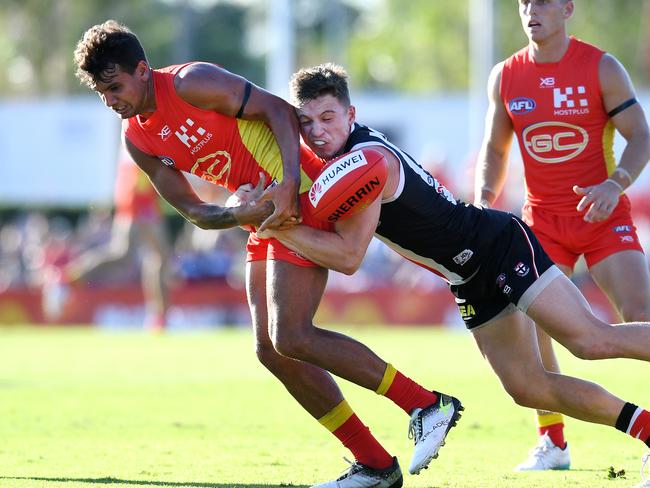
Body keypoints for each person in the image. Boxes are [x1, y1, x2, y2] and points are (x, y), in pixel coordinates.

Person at [74, 21, 465, 488]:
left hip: (300, 190)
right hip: (262, 211)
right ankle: (376, 464)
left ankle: (424, 404)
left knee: (293, 336)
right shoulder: (137, 139)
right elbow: (195, 211)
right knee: (272, 350)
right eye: (101, 93)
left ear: (142, 70)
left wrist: (283, 187)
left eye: (115, 87)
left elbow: (279, 111)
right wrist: (237, 212)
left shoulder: (189, 82)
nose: (111, 101)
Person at [248, 62, 650, 488]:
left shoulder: (368, 161)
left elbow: (348, 258)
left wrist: (268, 223)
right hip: (465, 276)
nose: (316, 132)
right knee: (528, 387)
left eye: (328, 118)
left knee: (588, 340)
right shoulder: (343, 160)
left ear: (351, 115)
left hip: (497, 247)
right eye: (306, 122)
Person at [473, 0, 650, 471]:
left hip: (602, 216)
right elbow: (494, 147)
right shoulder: (505, 75)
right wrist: (484, 202)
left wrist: (615, 184)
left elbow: (642, 135)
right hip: (542, 225)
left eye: (545, 1)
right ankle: (553, 443)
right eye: (524, 2)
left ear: (568, 8)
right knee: (532, 327)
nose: (532, 9)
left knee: (640, 315)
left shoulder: (601, 67)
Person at [43, 143, 172, 331]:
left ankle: (158, 317)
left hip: (141, 188)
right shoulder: (139, 123)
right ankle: (157, 317)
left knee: (150, 256)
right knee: (134, 255)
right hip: (137, 189)